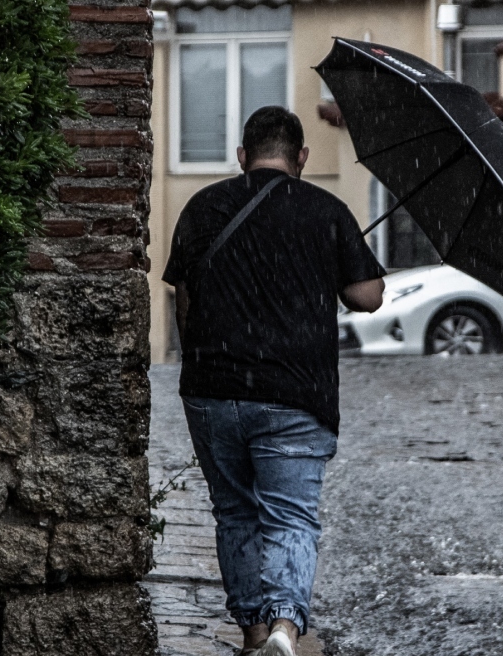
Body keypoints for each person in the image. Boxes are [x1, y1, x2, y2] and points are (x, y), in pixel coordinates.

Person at [162, 106, 385, 656]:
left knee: (235, 511)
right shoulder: (325, 211)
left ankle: (253, 633)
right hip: (294, 393)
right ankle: (285, 626)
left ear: (242, 156)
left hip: (213, 389)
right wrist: (349, 262)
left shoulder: (202, 207)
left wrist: (201, 361)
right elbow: (368, 297)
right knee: (290, 514)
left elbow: (183, 297)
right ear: (302, 158)